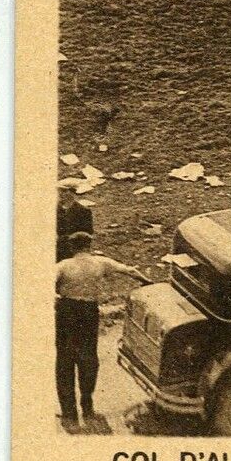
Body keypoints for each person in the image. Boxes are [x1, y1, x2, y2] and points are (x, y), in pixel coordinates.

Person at [55, 232, 149, 430]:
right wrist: (148, 282)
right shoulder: (100, 263)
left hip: (66, 312)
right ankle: (87, 408)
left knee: (65, 360)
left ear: (72, 248)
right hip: (89, 313)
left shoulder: (63, 265)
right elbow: (130, 270)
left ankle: (69, 414)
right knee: (88, 357)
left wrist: (56, 298)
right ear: (89, 245)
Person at [56, 179, 93, 260]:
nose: (61, 194)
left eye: (64, 191)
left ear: (73, 193)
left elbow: (87, 233)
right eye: (60, 191)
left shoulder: (83, 211)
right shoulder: (54, 209)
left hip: (74, 250)